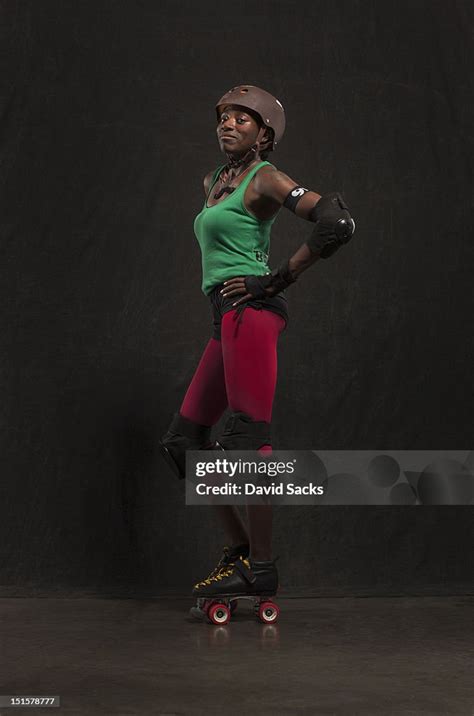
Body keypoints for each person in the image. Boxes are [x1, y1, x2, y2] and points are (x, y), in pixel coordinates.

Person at [159, 85, 355, 609]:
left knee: (248, 442)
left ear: (263, 134)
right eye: (223, 116)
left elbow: (334, 220)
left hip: (252, 312)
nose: (228, 124)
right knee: (184, 444)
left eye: (242, 119)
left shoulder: (264, 176)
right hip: (223, 318)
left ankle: (261, 569)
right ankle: (241, 552)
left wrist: (275, 281)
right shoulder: (214, 182)